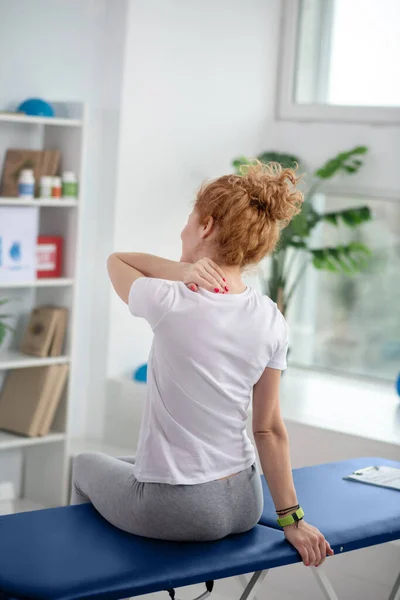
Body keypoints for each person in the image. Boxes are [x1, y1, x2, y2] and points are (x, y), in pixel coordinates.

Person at [71, 161, 334, 568]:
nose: (183, 230)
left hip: (179, 508)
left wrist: (182, 272)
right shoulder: (270, 317)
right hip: (245, 500)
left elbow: (117, 261)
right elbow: (268, 429)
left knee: (84, 464)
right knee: (127, 463)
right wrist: (292, 520)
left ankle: (80, 577)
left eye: (189, 220)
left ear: (206, 225)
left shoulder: (171, 300)